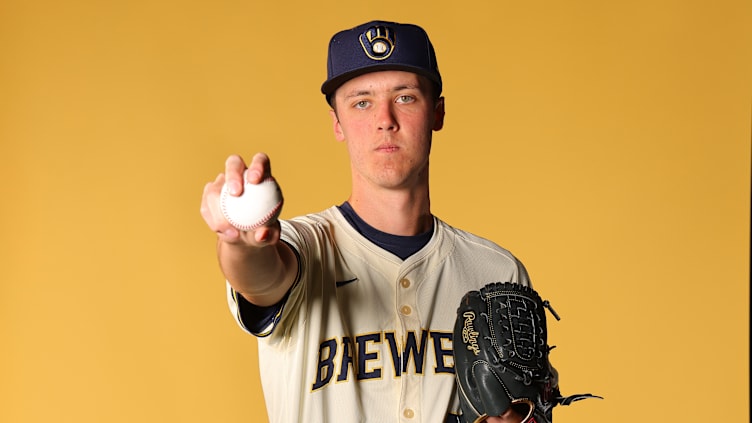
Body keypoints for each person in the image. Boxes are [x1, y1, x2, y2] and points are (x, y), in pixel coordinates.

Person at [200, 20, 532, 423]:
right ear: (337, 123)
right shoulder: (304, 246)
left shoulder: (495, 272)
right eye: (361, 102)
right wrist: (242, 243)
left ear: (437, 112)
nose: (384, 119)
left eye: (405, 98)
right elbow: (262, 279)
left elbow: (529, 409)